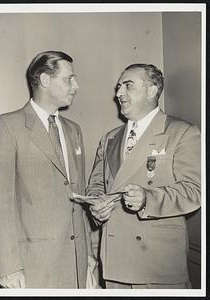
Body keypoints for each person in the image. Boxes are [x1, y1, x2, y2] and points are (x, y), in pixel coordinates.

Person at [86, 63, 201, 289]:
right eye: (119, 87)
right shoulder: (109, 138)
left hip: (157, 265)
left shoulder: (182, 132)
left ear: (152, 90)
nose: (118, 93)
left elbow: (195, 190)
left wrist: (149, 198)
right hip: (114, 261)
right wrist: (96, 204)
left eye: (128, 86)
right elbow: (96, 184)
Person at [0, 51, 91, 288]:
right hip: (31, 267)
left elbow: (78, 201)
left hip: (77, 266)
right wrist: (8, 267)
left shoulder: (74, 130)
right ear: (45, 80)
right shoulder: (7, 126)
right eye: (69, 78)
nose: (76, 86)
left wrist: (89, 257)